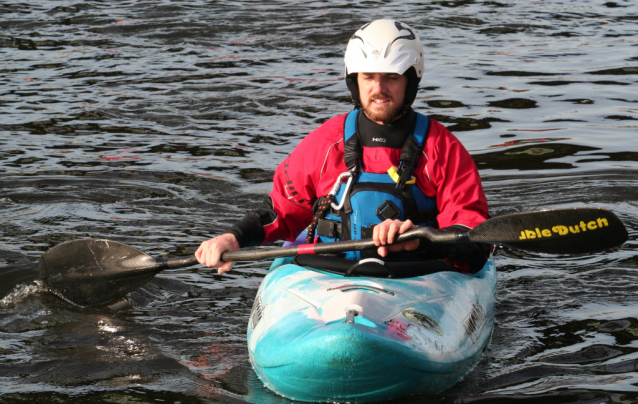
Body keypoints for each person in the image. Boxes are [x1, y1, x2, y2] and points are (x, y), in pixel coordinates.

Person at [196, 19, 490, 275]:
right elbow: (280, 211)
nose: (378, 88)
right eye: (369, 77)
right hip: (330, 275)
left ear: (410, 81)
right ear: (355, 81)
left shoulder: (442, 148)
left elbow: (472, 235)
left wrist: (419, 238)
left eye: (391, 77)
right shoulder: (326, 142)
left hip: (418, 276)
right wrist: (234, 238)